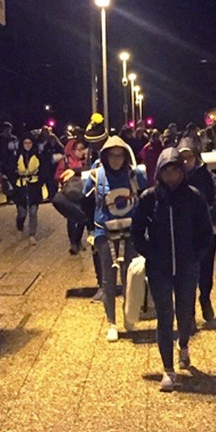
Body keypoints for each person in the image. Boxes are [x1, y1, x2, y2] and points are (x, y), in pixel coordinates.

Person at [131, 148, 215, 392]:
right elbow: (137, 231)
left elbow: (205, 232)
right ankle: (168, 369)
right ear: (159, 172)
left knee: (185, 311)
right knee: (165, 315)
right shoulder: (149, 198)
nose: (171, 176)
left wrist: (195, 257)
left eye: (176, 170)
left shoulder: (194, 197)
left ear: (182, 171)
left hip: (187, 266)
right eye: (166, 171)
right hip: (159, 268)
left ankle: (184, 345)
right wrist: (150, 253)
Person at [84, 136, 147, 342]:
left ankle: (129, 314)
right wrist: (90, 231)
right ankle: (111, 322)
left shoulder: (134, 175)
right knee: (108, 279)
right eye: (113, 155)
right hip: (105, 233)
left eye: (120, 155)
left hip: (130, 232)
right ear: (106, 155)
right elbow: (85, 199)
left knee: (131, 277)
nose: (117, 159)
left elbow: (146, 196)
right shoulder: (96, 174)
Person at [177, 137, 216, 325]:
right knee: (186, 275)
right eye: (183, 158)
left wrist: (207, 218)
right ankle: (189, 313)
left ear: (196, 157)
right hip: (183, 235)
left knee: (206, 272)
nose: (187, 162)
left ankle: (205, 298)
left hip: (205, 233)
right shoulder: (174, 177)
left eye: (190, 157)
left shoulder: (208, 176)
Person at [55, 138, 92, 254]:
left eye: (82, 149)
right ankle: (73, 244)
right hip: (69, 193)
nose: (81, 152)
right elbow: (57, 175)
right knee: (71, 218)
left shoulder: (85, 161)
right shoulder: (65, 161)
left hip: (81, 192)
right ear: (73, 150)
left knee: (81, 217)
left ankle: (78, 240)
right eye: (78, 149)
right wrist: (66, 176)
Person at [14, 134, 45, 246]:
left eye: (30, 143)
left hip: (34, 186)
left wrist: (40, 182)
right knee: (22, 213)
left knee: (33, 212)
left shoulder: (38, 155)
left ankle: (32, 235)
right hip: (21, 187)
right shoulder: (17, 155)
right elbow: (10, 168)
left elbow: (43, 170)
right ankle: (19, 227)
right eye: (25, 143)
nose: (28, 145)